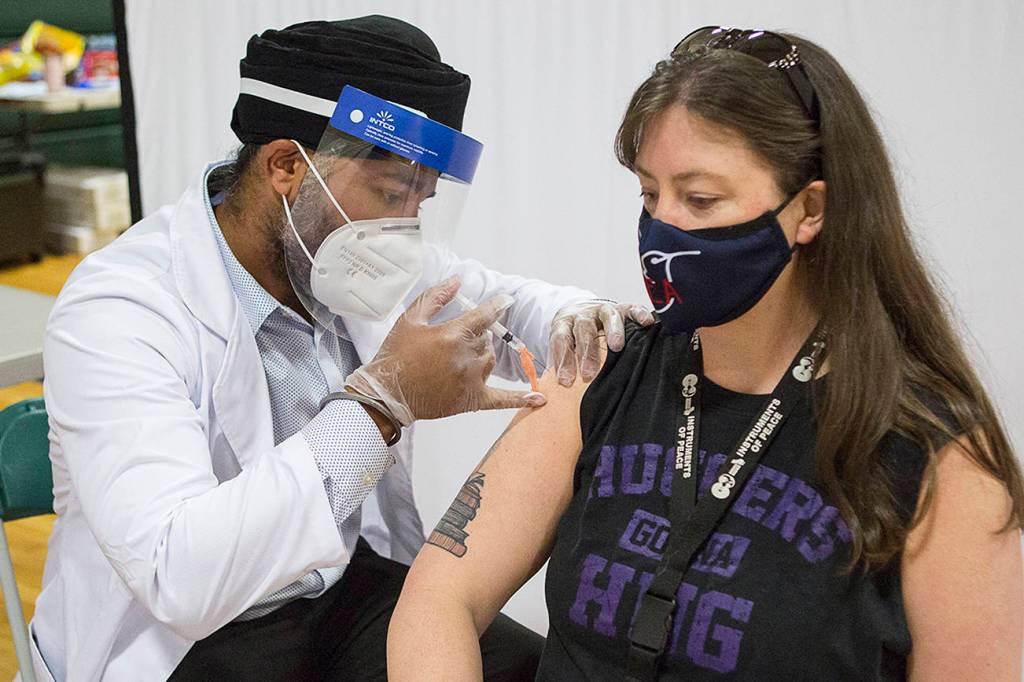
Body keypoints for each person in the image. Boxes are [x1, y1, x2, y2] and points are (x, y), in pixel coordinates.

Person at [388, 26, 1024, 680]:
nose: (663, 227)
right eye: (649, 193)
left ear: (809, 209)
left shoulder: (936, 457)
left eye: (700, 199)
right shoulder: (601, 369)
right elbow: (440, 598)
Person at [31, 16, 652, 681]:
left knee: (530, 671)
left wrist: (579, 318)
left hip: (335, 592)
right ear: (286, 166)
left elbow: (502, 302)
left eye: (421, 201)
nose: (403, 230)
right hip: (187, 637)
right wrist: (381, 405)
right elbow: (179, 579)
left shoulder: (342, 254)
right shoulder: (122, 308)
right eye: (389, 193)